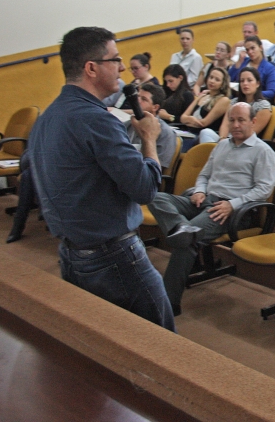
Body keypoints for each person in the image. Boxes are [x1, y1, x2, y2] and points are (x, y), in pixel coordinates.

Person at [27, 26, 174, 330]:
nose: (122, 67)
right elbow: (146, 188)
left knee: (104, 339)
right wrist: (148, 138)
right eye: (115, 59)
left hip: (72, 252)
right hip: (113, 256)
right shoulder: (96, 120)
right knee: (161, 341)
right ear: (91, 68)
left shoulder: (48, 117)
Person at [148, 102, 275, 315]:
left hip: (232, 210)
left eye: (241, 120)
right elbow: (204, 175)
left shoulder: (263, 151)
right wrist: (200, 190)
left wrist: (232, 204)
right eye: (232, 120)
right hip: (205, 200)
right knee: (155, 197)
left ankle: (168, 302)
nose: (235, 125)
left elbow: (263, 190)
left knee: (186, 243)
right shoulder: (222, 145)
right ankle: (183, 230)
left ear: (253, 122)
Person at [126, 83, 178, 169]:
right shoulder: (127, 124)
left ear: (155, 107)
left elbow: (159, 168)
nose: (138, 101)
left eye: (144, 99)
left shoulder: (166, 133)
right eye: (138, 96)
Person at [180, 66, 231, 144]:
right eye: (211, 77)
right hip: (188, 132)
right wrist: (191, 119)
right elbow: (183, 117)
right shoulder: (202, 95)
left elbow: (204, 123)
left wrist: (188, 120)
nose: (212, 81)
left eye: (217, 80)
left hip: (203, 135)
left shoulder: (223, 100)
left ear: (222, 84)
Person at [218, 67, 273, 139]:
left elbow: (251, 132)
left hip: (246, 143)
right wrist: (222, 140)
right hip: (227, 140)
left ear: (258, 84)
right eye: (242, 81)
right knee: (206, 132)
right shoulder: (234, 102)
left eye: (249, 80)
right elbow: (225, 124)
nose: (245, 83)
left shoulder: (263, 106)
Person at [228, 36, 275, 100]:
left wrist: (253, 93)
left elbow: (272, 92)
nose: (250, 52)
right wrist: (238, 63)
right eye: (247, 50)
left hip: (257, 100)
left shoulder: (269, 68)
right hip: (237, 98)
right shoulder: (244, 61)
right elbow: (228, 79)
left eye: (252, 48)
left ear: (260, 47)